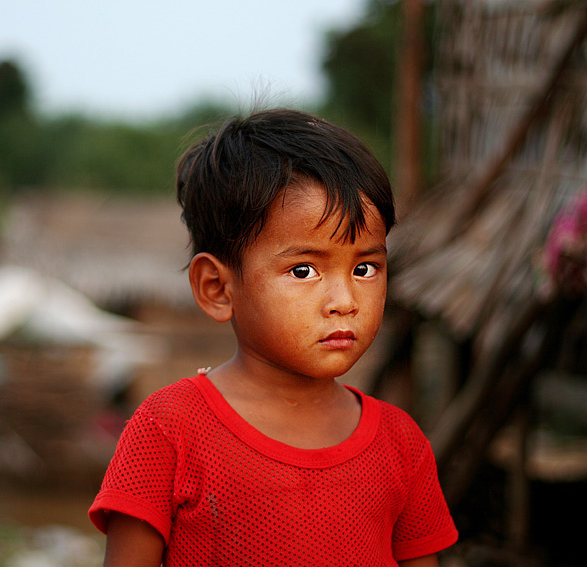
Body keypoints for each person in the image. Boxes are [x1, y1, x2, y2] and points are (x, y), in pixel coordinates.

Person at [89, 109, 458, 566]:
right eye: (304, 270)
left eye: (366, 268)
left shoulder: (401, 446)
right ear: (218, 288)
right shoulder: (169, 431)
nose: (345, 300)